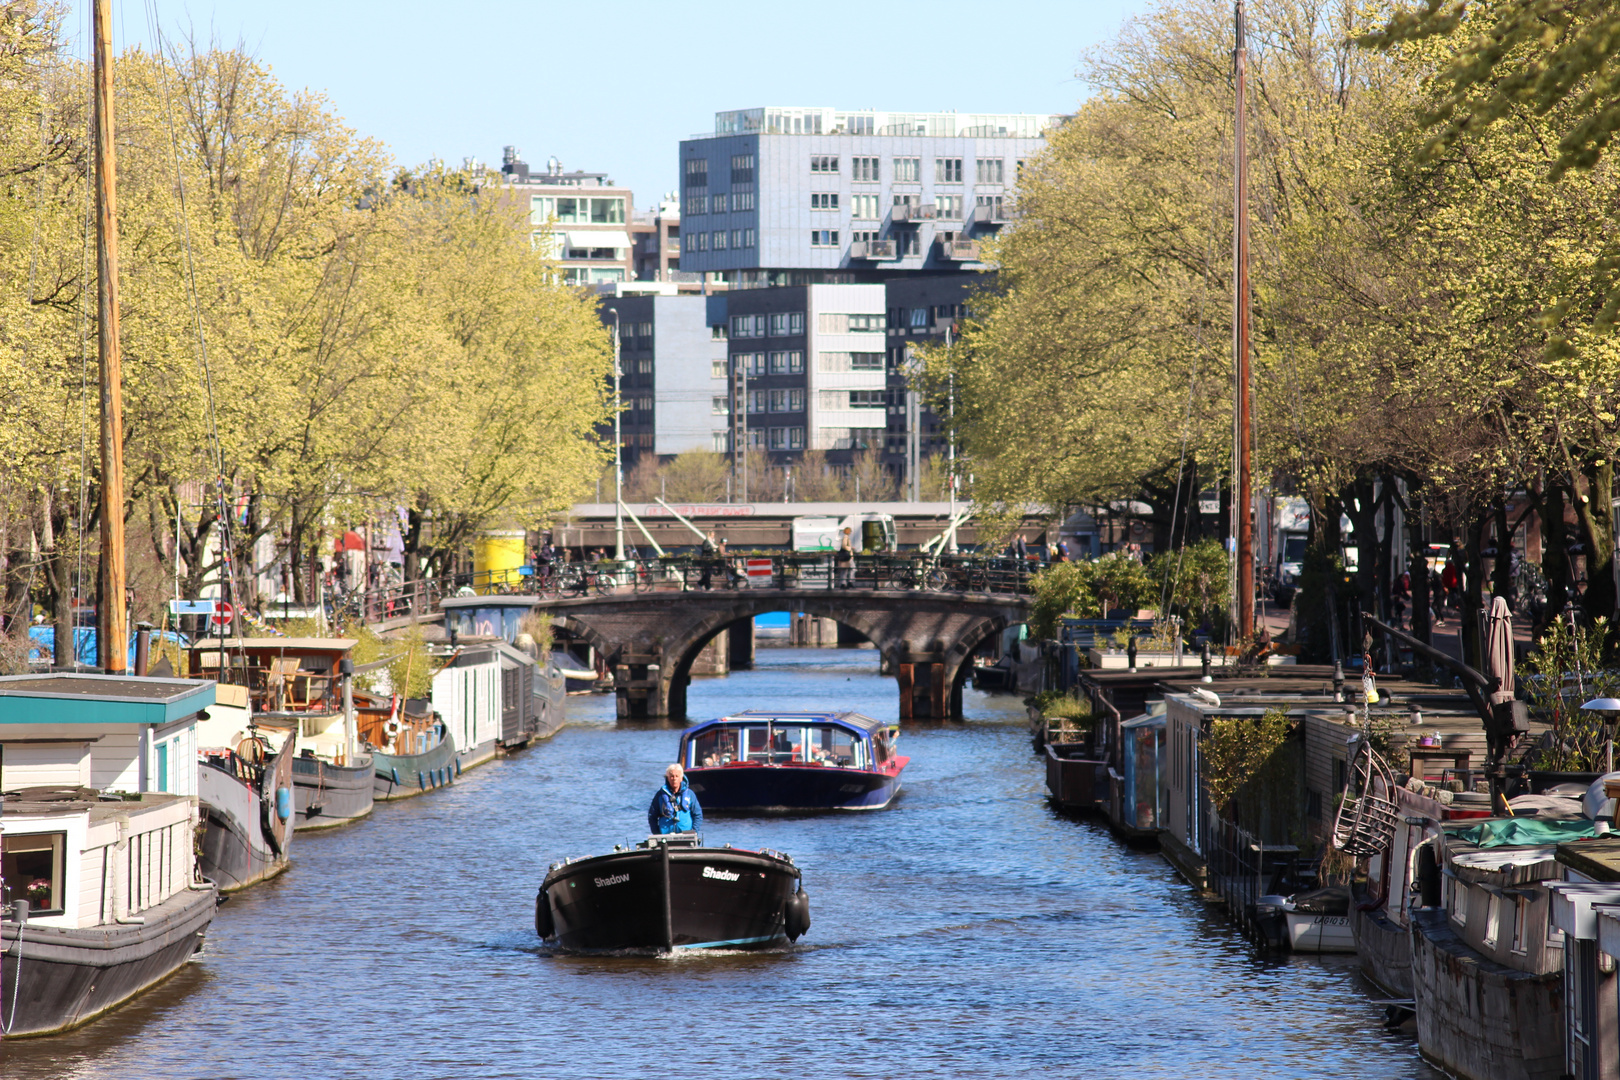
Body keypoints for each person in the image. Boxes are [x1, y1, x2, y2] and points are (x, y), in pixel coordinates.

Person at [647, 764, 702, 835]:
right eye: (672, 776)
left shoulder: (690, 794)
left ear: (681, 778)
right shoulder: (660, 795)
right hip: (665, 835)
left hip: (686, 835)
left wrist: (694, 832)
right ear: (668, 778)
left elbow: (698, 815)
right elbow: (652, 816)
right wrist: (657, 834)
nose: (674, 779)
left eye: (677, 776)